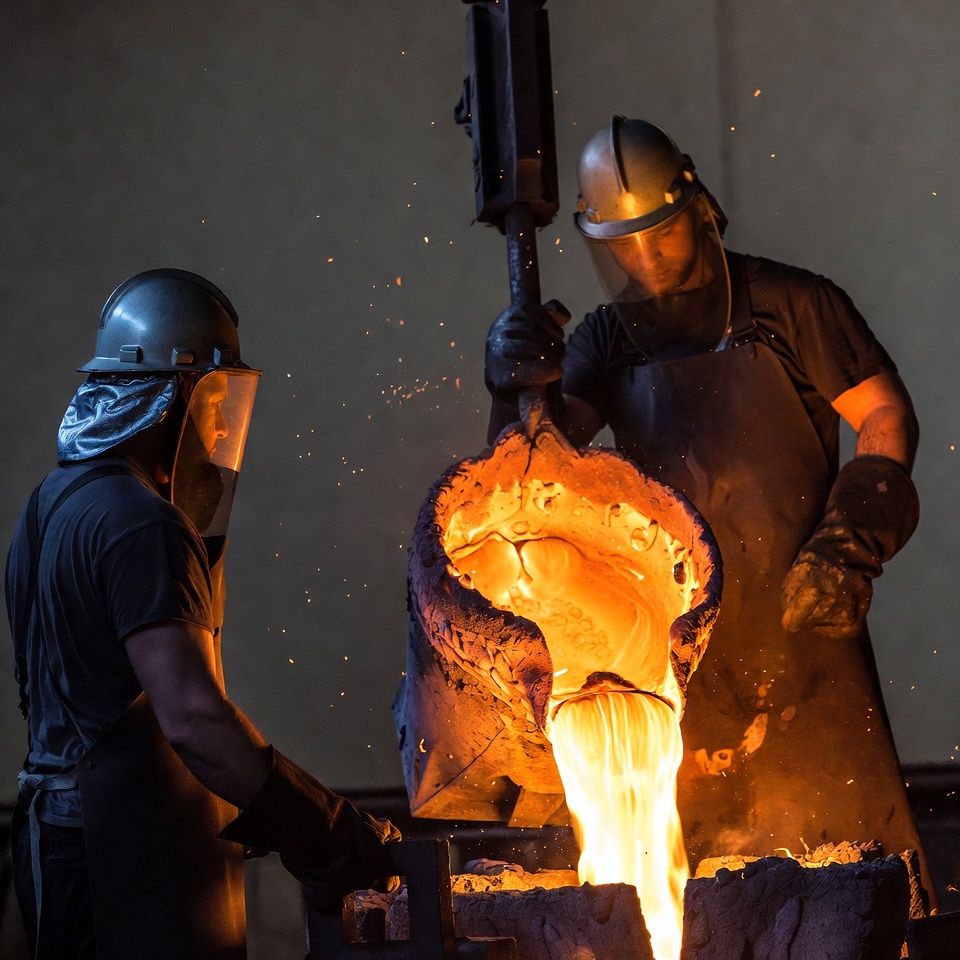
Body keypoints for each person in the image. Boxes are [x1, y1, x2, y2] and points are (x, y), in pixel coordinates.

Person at [484, 117, 933, 898]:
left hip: (805, 632)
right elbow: (534, 474)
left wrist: (849, 541)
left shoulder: (792, 305)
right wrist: (516, 385)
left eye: (661, 233)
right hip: (681, 654)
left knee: (849, 880)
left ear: (698, 208)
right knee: (700, 895)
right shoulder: (605, 342)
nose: (648, 258)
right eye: (624, 245)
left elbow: (885, 414)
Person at [5, 269, 400, 960]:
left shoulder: (51, 503)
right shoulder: (139, 523)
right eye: (212, 402)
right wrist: (326, 831)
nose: (220, 426)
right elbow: (192, 718)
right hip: (121, 864)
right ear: (167, 401)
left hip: (63, 844)